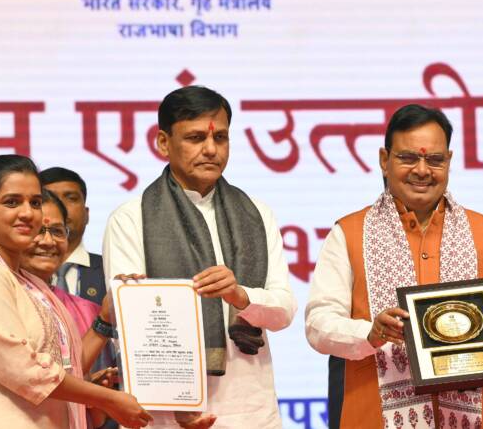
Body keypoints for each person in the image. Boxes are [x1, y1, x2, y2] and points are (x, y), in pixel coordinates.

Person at [305, 104, 483, 429]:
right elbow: (318, 325)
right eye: (408, 158)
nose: (422, 170)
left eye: (435, 160)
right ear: (384, 160)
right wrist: (370, 333)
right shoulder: (349, 234)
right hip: (374, 415)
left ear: (449, 161)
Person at [103, 86, 297, 429]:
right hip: (165, 415)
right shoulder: (132, 218)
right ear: (163, 143)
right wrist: (178, 403)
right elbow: (130, 322)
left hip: (249, 409)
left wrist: (240, 295)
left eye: (220, 137)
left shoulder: (256, 214)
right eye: (195, 138)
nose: (210, 149)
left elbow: (283, 311)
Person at [0, 154, 151, 429]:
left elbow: (63, 366)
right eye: (12, 202)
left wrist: (105, 318)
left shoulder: (29, 282)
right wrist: (108, 398)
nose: (27, 213)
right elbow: (23, 371)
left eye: (35, 202)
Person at [21, 188, 121, 428]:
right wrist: (94, 394)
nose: (48, 241)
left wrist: (92, 395)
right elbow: (27, 379)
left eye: (57, 231)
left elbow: (94, 417)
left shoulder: (85, 309)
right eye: (37, 231)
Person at [40, 167, 107, 306]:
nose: (61, 207)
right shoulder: (17, 271)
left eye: (71, 198)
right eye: (51, 198)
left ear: (87, 214)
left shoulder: (109, 269)